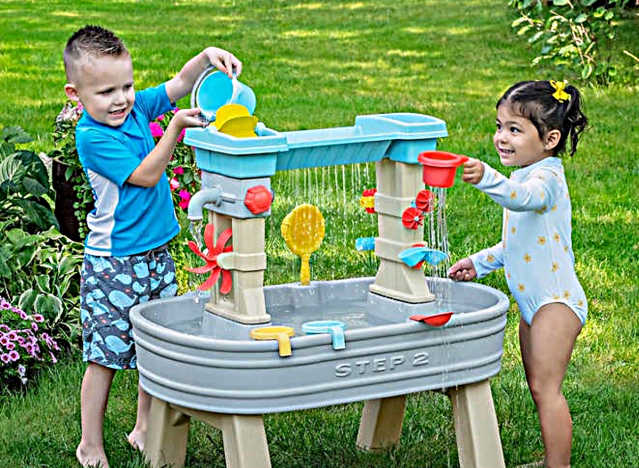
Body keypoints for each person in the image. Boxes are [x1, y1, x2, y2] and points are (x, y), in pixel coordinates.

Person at [63, 25, 242, 468]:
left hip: (155, 255)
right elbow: (144, 175)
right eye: (105, 91)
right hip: (113, 264)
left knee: (153, 346)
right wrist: (176, 127)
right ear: (76, 94)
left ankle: (145, 428)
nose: (121, 98)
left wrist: (206, 54)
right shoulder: (93, 136)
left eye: (126, 85)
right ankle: (91, 443)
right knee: (104, 356)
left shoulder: (137, 108)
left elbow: (180, 84)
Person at [448, 80, 588, 468]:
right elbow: (517, 243)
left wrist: (489, 178)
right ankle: (550, 460)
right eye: (498, 126)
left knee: (547, 389)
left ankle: (557, 467)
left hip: (556, 303)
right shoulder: (527, 173)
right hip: (533, 305)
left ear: (550, 139)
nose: (501, 137)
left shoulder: (546, 180)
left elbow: (523, 199)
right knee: (536, 387)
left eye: (514, 129)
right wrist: (479, 262)